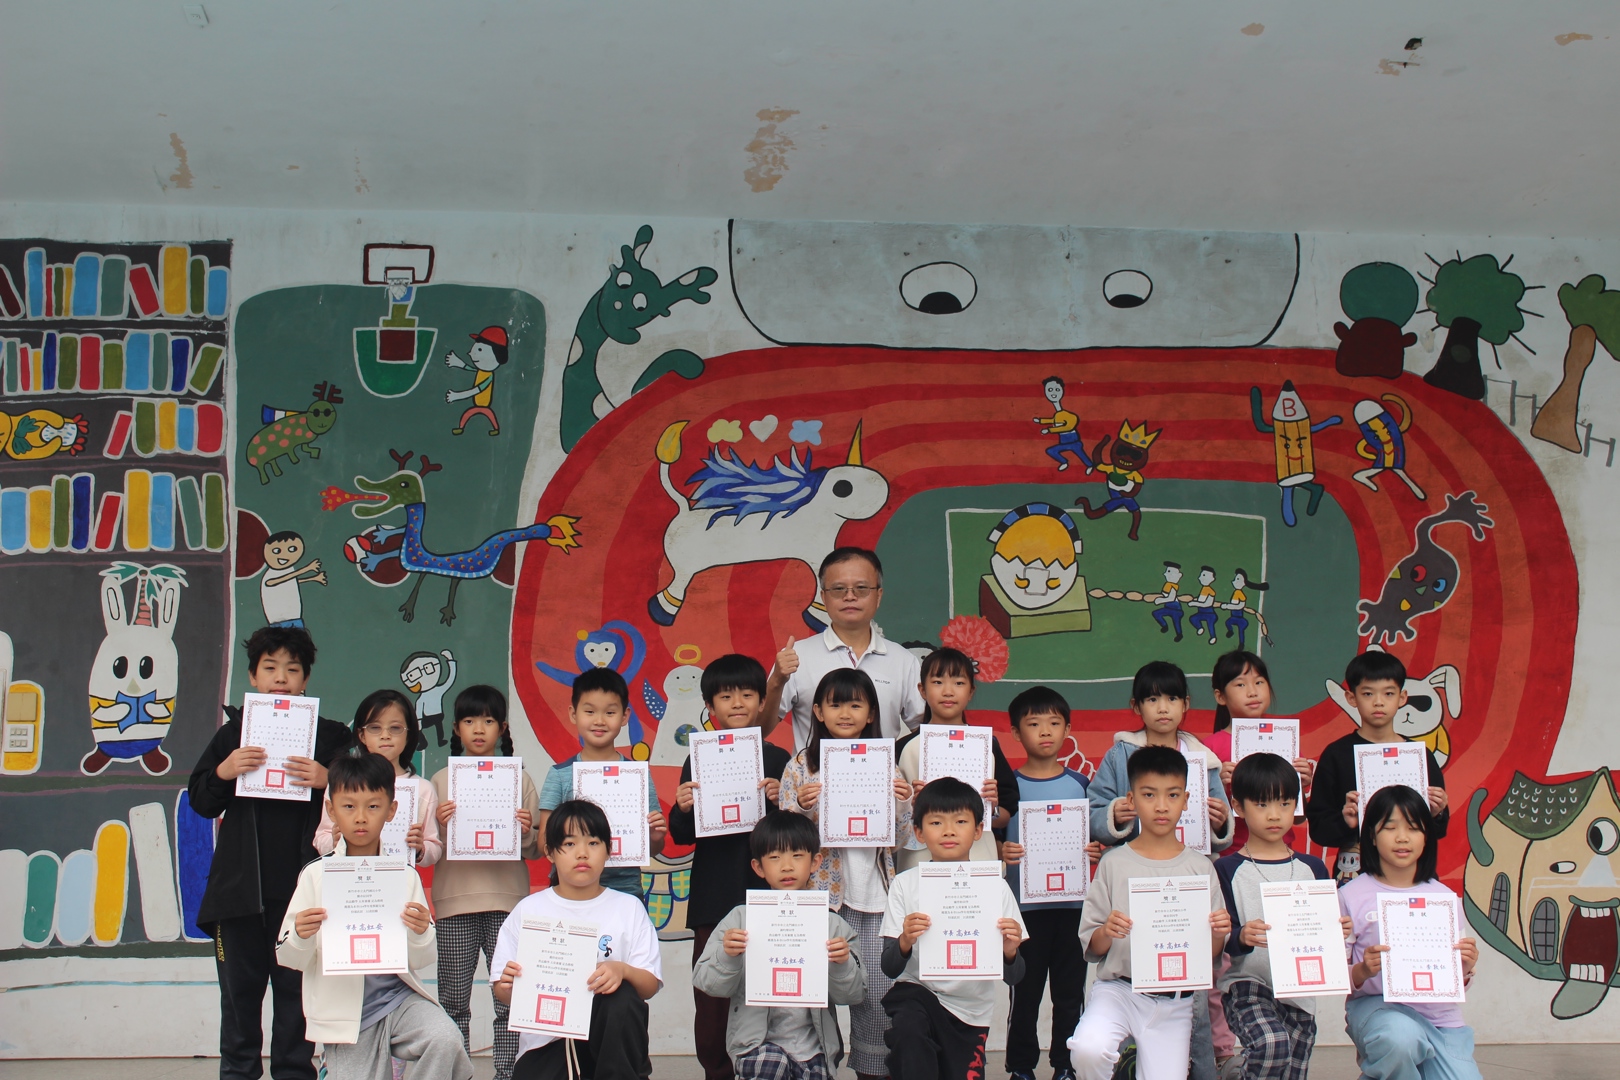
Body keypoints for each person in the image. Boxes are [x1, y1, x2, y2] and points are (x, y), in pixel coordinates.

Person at [188, 625, 351, 1080]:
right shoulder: (233, 735)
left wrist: (329, 780)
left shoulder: (331, 738)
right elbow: (201, 801)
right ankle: (237, 1073)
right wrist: (224, 770)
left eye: (292, 669)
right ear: (253, 676)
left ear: (306, 679)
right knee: (239, 1000)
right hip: (238, 896)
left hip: (303, 898)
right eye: (270, 667)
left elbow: (363, 800)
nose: (281, 677)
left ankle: (294, 1074)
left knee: (296, 1001)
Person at [276, 754, 473, 1080]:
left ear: (391, 810)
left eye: (373, 806)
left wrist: (421, 932)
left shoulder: (403, 875)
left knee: (445, 1039)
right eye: (348, 806)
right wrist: (300, 934)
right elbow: (288, 957)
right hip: (346, 1015)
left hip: (399, 1001)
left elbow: (421, 958)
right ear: (331, 810)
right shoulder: (316, 875)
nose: (361, 817)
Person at [779, 668, 914, 1080]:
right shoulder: (800, 767)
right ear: (818, 711)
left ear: (871, 713)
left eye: (855, 704)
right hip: (819, 901)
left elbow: (900, 840)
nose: (844, 713)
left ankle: (873, 1072)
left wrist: (903, 803)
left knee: (876, 999)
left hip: (875, 900)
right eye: (835, 704)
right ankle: (814, 1069)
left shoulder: (886, 766)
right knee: (813, 998)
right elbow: (782, 841)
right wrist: (802, 807)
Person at [1068, 745, 1231, 1080]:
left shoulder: (1200, 868)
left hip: (1176, 1001)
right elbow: (1092, 945)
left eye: (1172, 795)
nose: (1161, 806)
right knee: (1088, 1049)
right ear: (1131, 799)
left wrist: (1218, 931)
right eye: (1149, 794)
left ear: (1186, 800)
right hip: (1119, 991)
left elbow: (1211, 953)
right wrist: (1106, 931)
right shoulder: (1113, 863)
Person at [669, 654, 793, 1080]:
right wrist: (683, 807)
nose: (737, 703)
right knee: (713, 1000)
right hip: (714, 896)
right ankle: (717, 1072)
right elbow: (683, 835)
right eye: (725, 696)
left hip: (769, 896)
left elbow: (794, 834)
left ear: (762, 702)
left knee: (768, 994)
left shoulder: (778, 759)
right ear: (710, 706)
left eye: (746, 694)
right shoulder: (698, 759)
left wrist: (781, 800)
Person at [492, 800, 662, 1080]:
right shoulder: (529, 910)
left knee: (621, 995)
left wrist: (622, 970)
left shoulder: (628, 908)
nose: (582, 853)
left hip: (609, 1048)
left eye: (593, 843)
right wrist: (509, 984)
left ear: (608, 850)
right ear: (549, 852)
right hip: (547, 1045)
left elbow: (649, 985)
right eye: (569, 844)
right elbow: (502, 989)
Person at [692, 811, 867, 1080]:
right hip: (757, 1046)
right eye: (774, 857)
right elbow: (707, 983)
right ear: (758, 867)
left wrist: (842, 964)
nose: (786, 866)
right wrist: (727, 955)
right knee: (771, 1067)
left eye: (797, 855)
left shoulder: (831, 925)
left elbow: (853, 994)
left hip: (816, 1048)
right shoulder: (740, 919)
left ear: (815, 862)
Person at [1204, 650, 1314, 1071]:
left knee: (1279, 945)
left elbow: (1295, 815)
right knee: (1230, 955)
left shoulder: (1287, 741)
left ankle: (1277, 1028)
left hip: (1282, 864)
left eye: (1259, 682)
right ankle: (1224, 1049)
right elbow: (1200, 816)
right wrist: (1219, 784)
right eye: (1240, 684)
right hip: (1233, 858)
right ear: (1220, 695)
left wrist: (1303, 785)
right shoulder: (1211, 748)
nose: (1252, 691)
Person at [881, 777, 1027, 1080]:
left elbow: (1015, 976)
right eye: (936, 822)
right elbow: (890, 967)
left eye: (960, 821)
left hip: (971, 1010)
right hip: (918, 994)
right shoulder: (904, 885)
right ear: (919, 832)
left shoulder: (994, 888)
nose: (948, 831)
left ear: (978, 830)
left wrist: (1010, 952)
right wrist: (905, 940)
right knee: (910, 1035)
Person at [431, 684, 541, 1080]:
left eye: (489, 720)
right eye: (469, 720)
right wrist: (439, 826)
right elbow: (426, 848)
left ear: (503, 728)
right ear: (456, 728)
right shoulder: (439, 781)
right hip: (455, 902)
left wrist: (526, 831)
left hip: (508, 904)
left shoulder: (520, 780)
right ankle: (457, 1073)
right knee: (453, 1003)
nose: (479, 729)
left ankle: (508, 1074)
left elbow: (536, 850)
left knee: (511, 999)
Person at [1214, 754, 1348, 1080]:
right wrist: (1240, 935)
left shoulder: (1313, 868)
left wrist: (1338, 931)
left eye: (1285, 803)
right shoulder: (1227, 869)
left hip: (1301, 991)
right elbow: (1221, 933)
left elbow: (1324, 928)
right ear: (1238, 806)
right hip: (1247, 983)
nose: (1274, 815)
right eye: (1262, 804)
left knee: (1291, 1070)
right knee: (1271, 1045)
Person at [1339, 786, 1482, 1080]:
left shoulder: (1444, 898)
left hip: (1439, 1017)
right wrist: (1363, 970)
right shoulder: (1350, 895)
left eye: (1413, 828)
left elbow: (1454, 982)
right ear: (1371, 836)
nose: (1402, 837)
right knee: (1400, 1040)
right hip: (1378, 1009)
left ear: (1426, 836)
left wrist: (1465, 968)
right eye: (1390, 828)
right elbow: (1337, 975)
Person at [997, 686, 1101, 1080]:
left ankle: (1066, 1065)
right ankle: (1021, 1066)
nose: (1045, 732)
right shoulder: (1008, 788)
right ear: (1015, 732)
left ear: (1068, 730)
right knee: (1024, 993)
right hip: (1025, 911)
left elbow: (1097, 834)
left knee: (1070, 993)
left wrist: (1095, 850)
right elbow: (990, 836)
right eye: (1034, 724)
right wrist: (1001, 851)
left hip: (1073, 908)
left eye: (1054, 723)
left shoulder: (1082, 785)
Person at [1306, 651, 1448, 883]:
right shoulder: (1336, 755)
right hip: (1355, 874)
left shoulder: (1420, 756)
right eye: (1368, 693)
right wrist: (1345, 821)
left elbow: (1438, 830)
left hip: (1411, 876)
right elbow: (1319, 829)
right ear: (1351, 698)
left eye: (1388, 693)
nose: (1378, 702)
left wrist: (1436, 813)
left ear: (1402, 697)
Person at [762, 546, 926, 748]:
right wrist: (776, 681)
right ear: (824, 597)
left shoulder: (902, 660)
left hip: (879, 769)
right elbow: (760, 731)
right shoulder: (796, 657)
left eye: (861, 588)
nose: (850, 596)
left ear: (878, 595)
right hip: (813, 769)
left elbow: (924, 733)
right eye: (839, 589)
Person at [538, 666, 669, 898]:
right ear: (573, 714)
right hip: (570, 890)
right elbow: (544, 844)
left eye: (610, 712)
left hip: (625, 888)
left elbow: (653, 848)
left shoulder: (637, 776)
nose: (599, 721)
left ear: (625, 716)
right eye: (589, 711)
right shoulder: (559, 775)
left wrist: (655, 837)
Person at [894, 647, 1018, 873]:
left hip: (978, 858)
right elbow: (885, 817)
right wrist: (910, 803)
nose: (948, 691)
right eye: (938, 682)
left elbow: (1004, 817)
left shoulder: (986, 745)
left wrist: (992, 807)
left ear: (971, 691)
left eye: (959, 683)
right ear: (922, 690)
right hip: (919, 860)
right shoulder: (903, 748)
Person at [315, 689, 441, 866]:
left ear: (409, 735)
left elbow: (434, 848)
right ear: (361, 735)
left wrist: (420, 849)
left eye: (395, 728)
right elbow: (320, 839)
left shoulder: (423, 789)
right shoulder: (342, 781)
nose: (385, 735)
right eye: (375, 728)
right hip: (348, 877)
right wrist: (333, 841)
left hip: (399, 880)